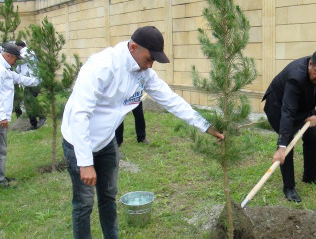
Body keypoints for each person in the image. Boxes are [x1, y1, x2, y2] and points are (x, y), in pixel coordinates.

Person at [61, 26, 224, 239]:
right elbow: (80, 114)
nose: (151, 64)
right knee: (84, 203)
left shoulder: (144, 72)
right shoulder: (102, 66)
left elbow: (171, 100)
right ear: (133, 47)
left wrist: (206, 126)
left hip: (106, 141)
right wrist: (85, 162)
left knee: (108, 196)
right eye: (149, 58)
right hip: (78, 142)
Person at [262, 49, 316, 203]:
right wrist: (282, 147)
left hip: (304, 105)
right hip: (278, 106)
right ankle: (288, 188)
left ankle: (310, 176)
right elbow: (287, 112)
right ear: (310, 64)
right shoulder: (296, 76)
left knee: (312, 134)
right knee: (287, 142)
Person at [0, 43, 39, 188]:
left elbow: (20, 78)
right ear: (8, 55)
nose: (16, 61)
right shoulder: (0, 69)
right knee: (1, 149)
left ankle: (1, 176)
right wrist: (2, 116)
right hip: (0, 117)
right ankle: (1, 180)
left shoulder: (6, 69)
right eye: (15, 58)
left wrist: (39, 81)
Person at [15, 41, 46, 130]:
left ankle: (39, 119)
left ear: (19, 47)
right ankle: (35, 122)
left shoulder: (28, 52)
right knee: (28, 102)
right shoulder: (25, 53)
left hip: (33, 82)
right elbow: (18, 69)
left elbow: (20, 61)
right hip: (29, 83)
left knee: (29, 101)